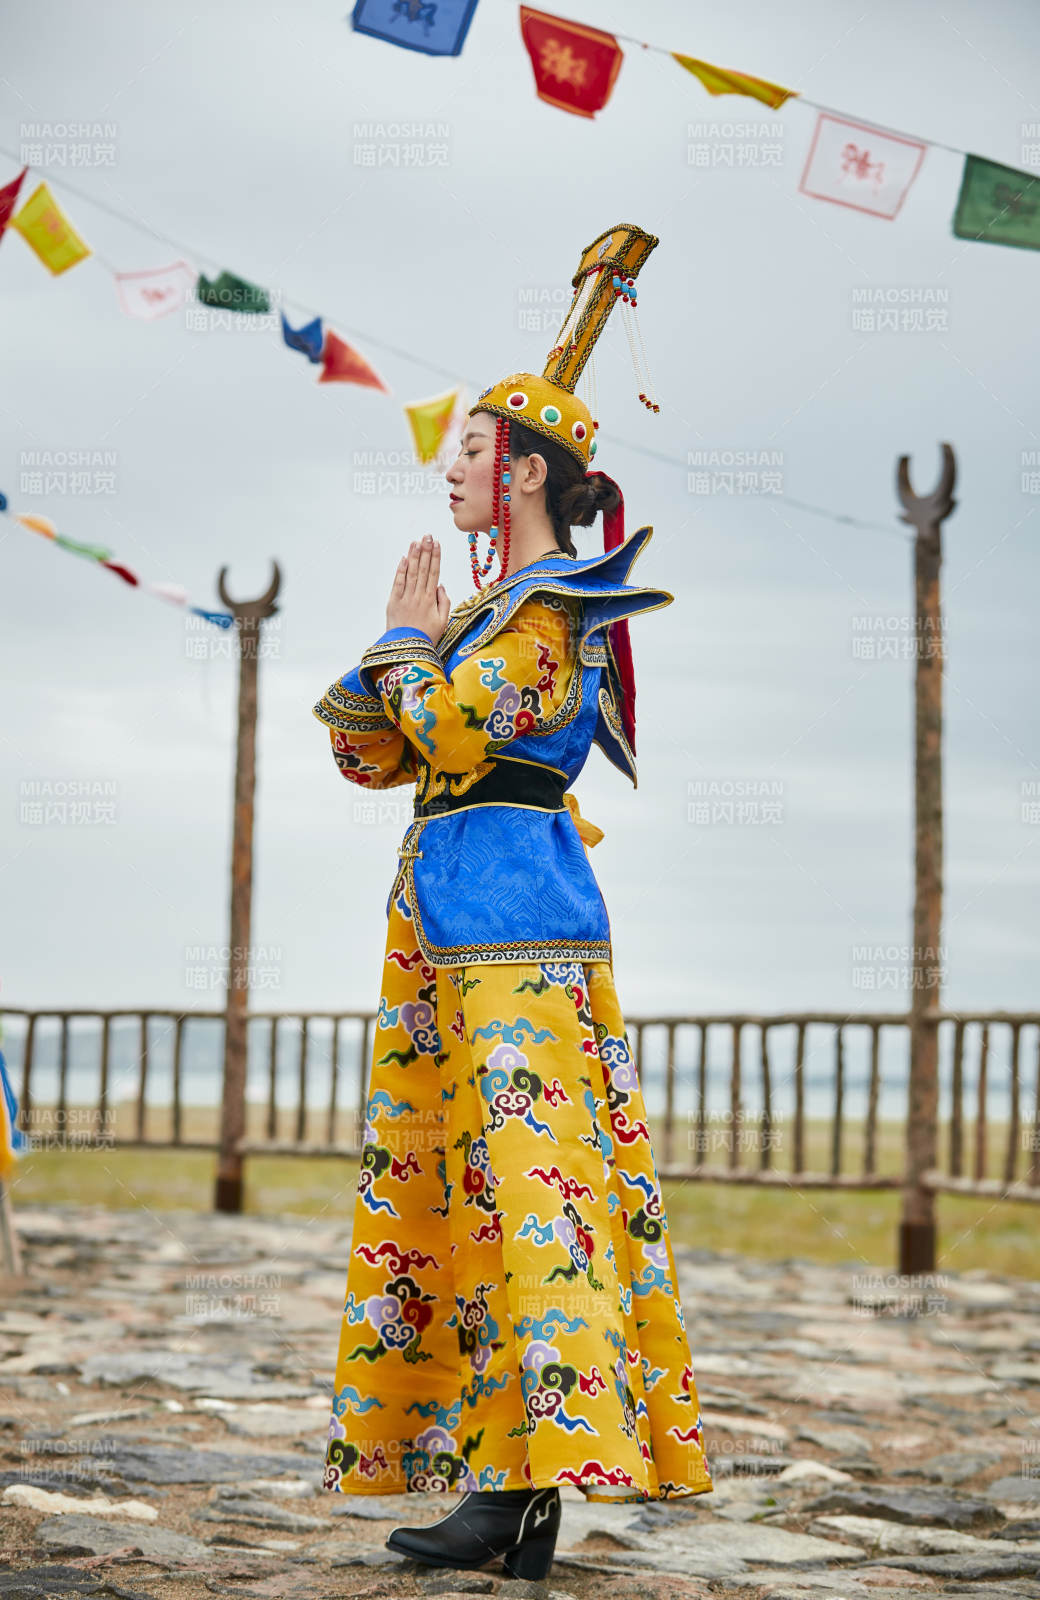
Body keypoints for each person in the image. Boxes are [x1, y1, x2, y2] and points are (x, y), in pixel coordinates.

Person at [315, 226, 714, 1583]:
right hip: (441, 933)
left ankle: (534, 1482)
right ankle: (497, 1477)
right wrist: (407, 662)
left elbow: (456, 729)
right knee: (457, 1202)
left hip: (520, 935)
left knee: (532, 1200)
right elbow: (372, 751)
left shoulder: (551, 616)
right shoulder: (492, 614)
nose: (454, 470)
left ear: (527, 470)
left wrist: (405, 655)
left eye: (474, 453)